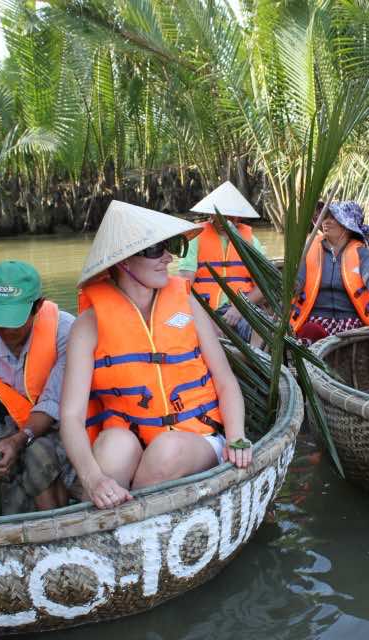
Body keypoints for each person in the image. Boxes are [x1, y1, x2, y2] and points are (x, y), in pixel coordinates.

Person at [62, 200, 250, 511]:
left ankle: (127, 515)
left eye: (171, 247)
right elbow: (71, 416)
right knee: (112, 448)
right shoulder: (87, 325)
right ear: (124, 261)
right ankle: (108, 513)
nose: (168, 258)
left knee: (167, 450)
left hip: (197, 438)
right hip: (134, 436)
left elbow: (225, 380)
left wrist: (236, 437)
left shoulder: (187, 303)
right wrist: (94, 479)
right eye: (155, 250)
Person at [0, 261, 96, 514]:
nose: (5, 329)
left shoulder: (66, 330)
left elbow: (55, 400)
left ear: (38, 306)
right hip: (0, 423)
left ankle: (52, 520)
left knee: (38, 457)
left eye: (14, 320)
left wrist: (19, 440)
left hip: (58, 422)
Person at [290, 201, 369, 342]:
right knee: (310, 331)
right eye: (325, 216)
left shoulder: (362, 252)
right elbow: (298, 282)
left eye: (333, 217)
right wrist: (290, 285)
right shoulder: (309, 249)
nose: (326, 221)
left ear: (347, 226)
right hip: (315, 321)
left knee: (354, 339)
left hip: (350, 323)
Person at [178, 181, 267, 339]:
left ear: (239, 217)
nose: (222, 220)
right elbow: (184, 286)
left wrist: (239, 309)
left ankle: (256, 354)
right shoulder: (195, 238)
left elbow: (263, 286)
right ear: (211, 214)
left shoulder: (252, 241)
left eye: (229, 216)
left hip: (244, 308)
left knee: (264, 331)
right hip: (206, 309)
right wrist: (207, 318)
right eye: (218, 215)